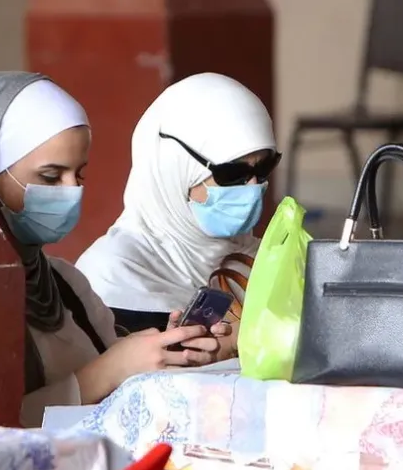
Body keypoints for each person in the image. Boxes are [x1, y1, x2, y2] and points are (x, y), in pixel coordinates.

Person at [0, 72, 231, 427]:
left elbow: (119, 380)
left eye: (79, 175)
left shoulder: (63, 284)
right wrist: (106, 373)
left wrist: (162, 353)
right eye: (49, 177)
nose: (71, 191)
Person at [76, 73, 279, 354]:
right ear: (174, 168)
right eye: (232, 173)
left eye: (264, 168)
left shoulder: (267, 261)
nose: (253, 187)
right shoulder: (111, 276)